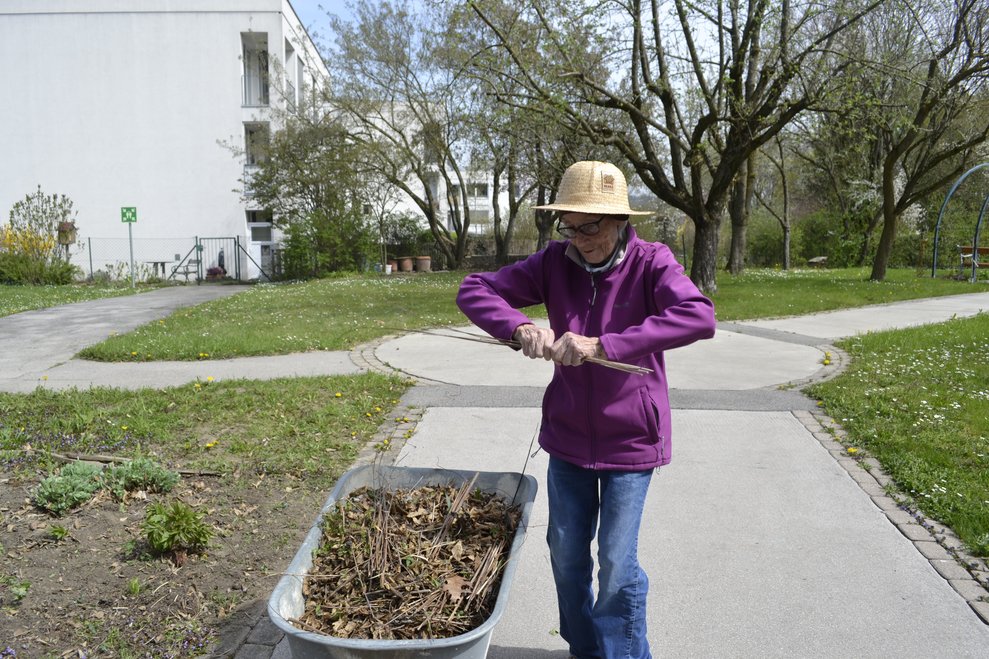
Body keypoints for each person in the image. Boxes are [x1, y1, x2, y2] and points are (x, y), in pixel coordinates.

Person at [456, 161, 716, 659]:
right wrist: (519, 328)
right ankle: (586, 650)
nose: (579, 238)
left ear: (618, 219)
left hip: (632, 439)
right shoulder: (554, 262)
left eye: (590, 226)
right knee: (567, 555)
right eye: (569, 227)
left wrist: (605, 345)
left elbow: (698, 316)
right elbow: (474, 289)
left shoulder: (651, 261)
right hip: (569, 435)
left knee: (617, 561)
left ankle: (623, 655)